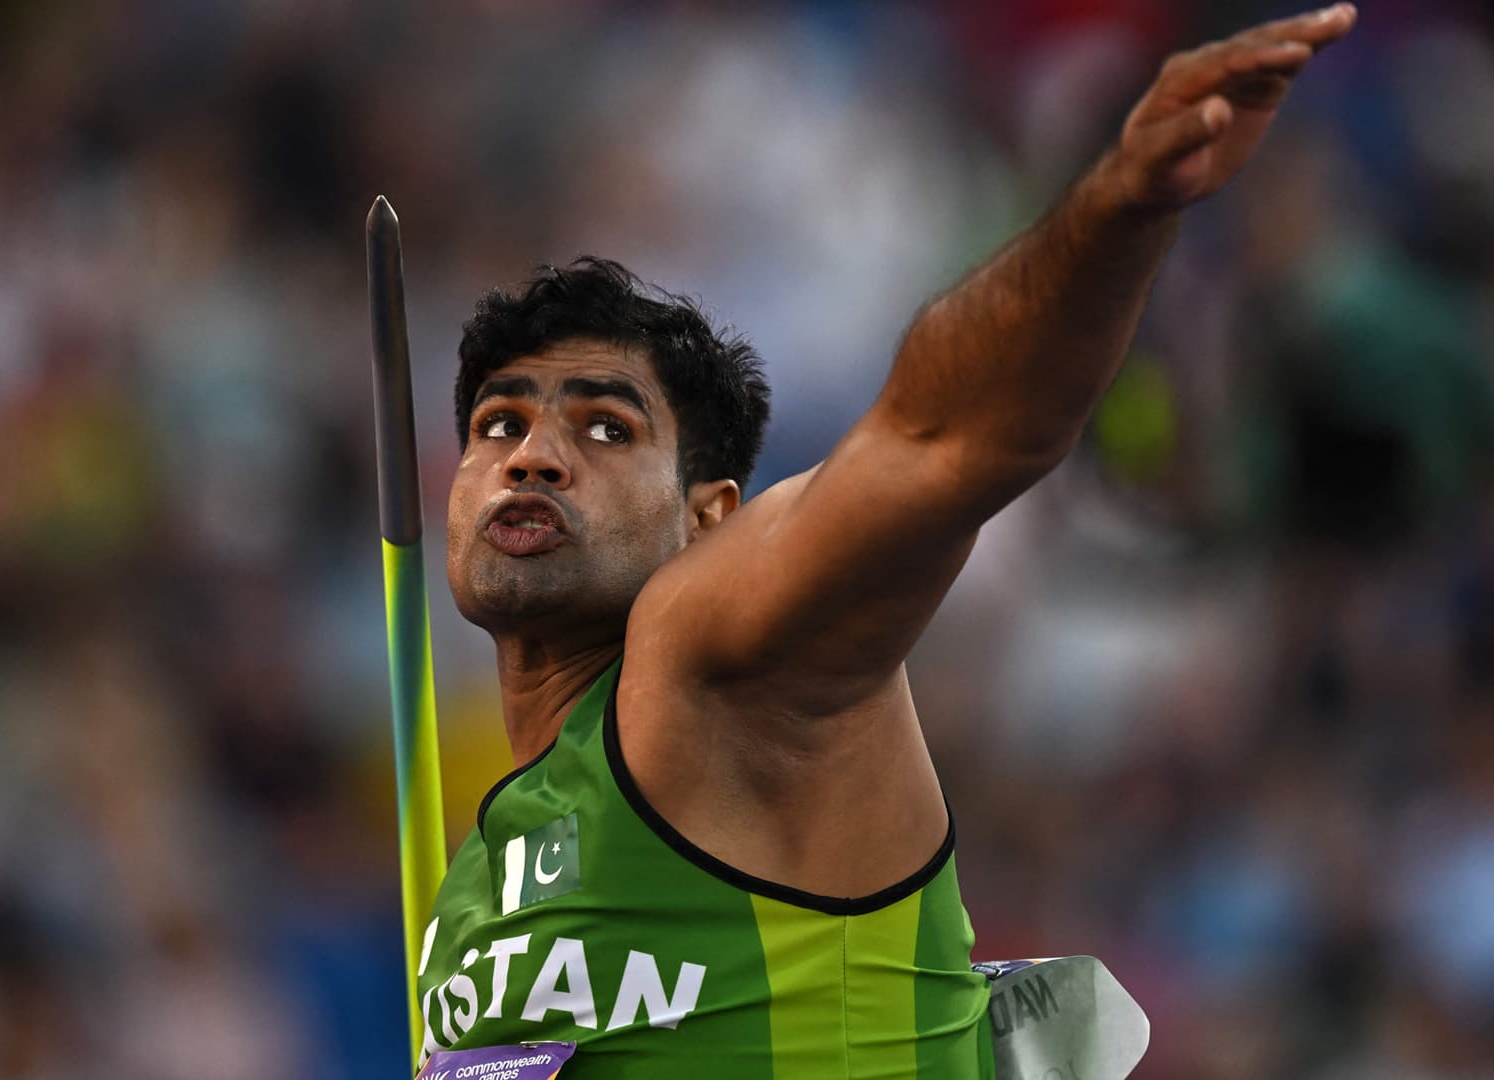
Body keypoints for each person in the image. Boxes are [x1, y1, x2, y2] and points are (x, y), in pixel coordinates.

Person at [413, 5, 1357, 1076]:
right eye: (499, 424)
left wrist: (1116, 208)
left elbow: (940, 436)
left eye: (603, 428)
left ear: (708, 517)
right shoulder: (476, 889)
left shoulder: (709, 658)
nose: (533, 457)